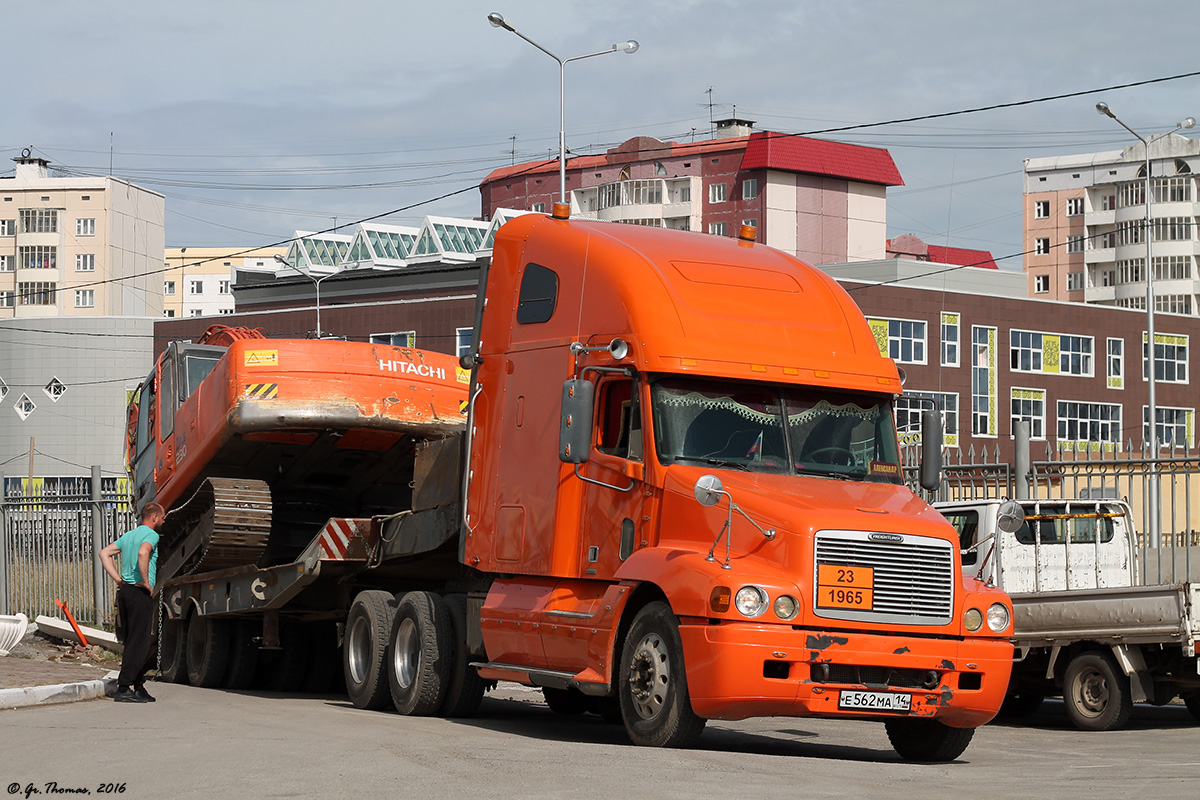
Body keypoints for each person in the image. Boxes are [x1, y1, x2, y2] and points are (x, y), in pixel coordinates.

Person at [99, 502, 166, 703]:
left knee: (132, 640)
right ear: (154, 517)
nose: (163, 521)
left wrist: (118, 579)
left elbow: (104, 553)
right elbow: (143, 553)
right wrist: (146, 581)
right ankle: (123, 687)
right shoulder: (151, 535)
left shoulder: (130, 535)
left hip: (125, 591)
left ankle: (138, 685)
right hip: (139, 592)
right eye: (162, 517)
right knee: (140, 641)